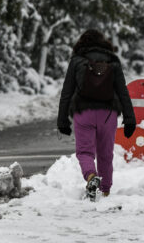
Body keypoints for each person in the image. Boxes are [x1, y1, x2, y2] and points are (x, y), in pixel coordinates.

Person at [57, 29, 136, 200]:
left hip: (83, 112)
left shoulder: (77, 61)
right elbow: (123, 92)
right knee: (105, 154)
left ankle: (91, 176)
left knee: (85, 152)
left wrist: (62, 119)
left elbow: (67, 92)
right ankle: (105, 190)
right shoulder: (113, 61)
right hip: (108, 114)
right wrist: (130, 118)